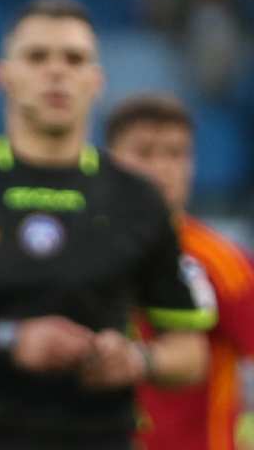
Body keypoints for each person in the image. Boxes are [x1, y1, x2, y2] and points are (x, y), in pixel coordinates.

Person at [0, 0, 215, 450]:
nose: (56, 71)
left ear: (96, 81)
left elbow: (189, 351)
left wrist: (138, 359)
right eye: (37, 56)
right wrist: (7, 339)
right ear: (2, 76)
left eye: (74, 59)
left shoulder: (138, 199)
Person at [106, 94, 254, 450]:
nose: (162, 168)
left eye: (176, 154)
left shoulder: (222, 263)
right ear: (110, 161)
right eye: (144, 153)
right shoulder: (82, 253)